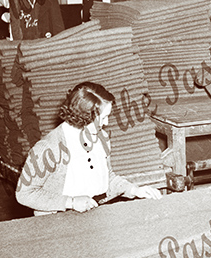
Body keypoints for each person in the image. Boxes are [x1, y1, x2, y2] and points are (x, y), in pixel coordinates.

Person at [15, 82, 162, 215]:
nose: (107, 123)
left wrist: (135, 190)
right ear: (84, 116)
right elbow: (25, 193)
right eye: (103, 118)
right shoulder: (48, 148)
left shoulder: (101, 138)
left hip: (95, 212)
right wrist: (70, 202)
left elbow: (107, 177)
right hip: (57, 218)